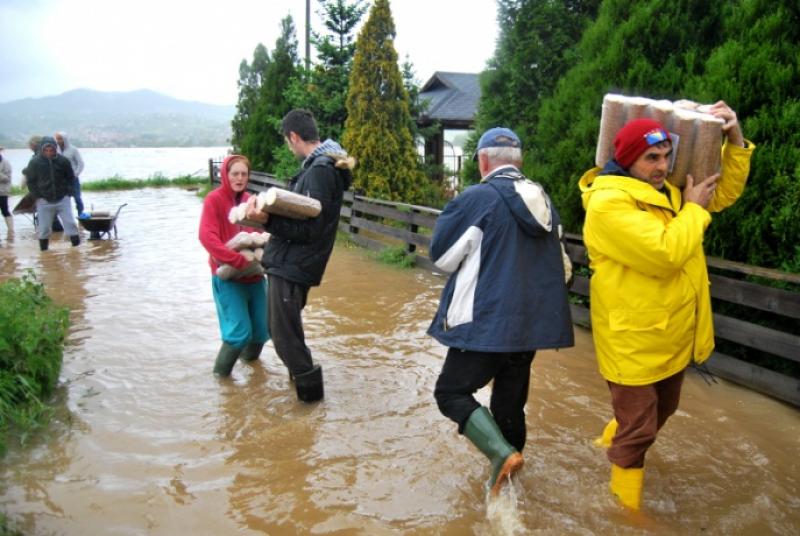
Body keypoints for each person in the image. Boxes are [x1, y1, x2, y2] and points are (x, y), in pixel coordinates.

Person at [578, 102, 755, 511]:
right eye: (650, 158)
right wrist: (693, 208)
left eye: (665, 156)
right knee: (639, 433)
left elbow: (722, 191)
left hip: (671, 335)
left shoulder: (668, 192)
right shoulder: (609, 205)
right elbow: (665, 253)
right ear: (625, 161)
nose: (661, 166)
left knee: (664, 409)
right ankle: (626, 514)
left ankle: (608, 440)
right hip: (633, 343)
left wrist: (735, 138)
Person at [428, 127, 574, 496]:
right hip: (530, 327)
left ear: (482, 161)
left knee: (451, 393)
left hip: (486, 324)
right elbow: (562, 267)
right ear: (518, 161)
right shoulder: (543, 200)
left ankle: (498, 455)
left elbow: (443, 259)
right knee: (510, 406)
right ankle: (512, 487)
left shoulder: (477, 198)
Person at [245, 109, 354, 403]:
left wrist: (265, 220)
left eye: (287, 142)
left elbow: (311, 229)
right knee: (285, 334)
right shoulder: (319, 166)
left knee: (284, 338)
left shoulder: (320, 170)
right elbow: (304, 218)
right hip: (291, 262)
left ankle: (311, 406)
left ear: (294, 137)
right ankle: (305, 399)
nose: (289, 147)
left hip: (294, 264)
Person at [199, 155, 270, 377]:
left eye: (244, 174)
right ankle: (221, 380)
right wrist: (236, 260)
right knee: (239, 332)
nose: (240, 178)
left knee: (261, 330)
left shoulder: (250, 200)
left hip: (255, 276)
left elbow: (262, 233)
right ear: (226, 176)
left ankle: (249, 373)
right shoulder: (214, 200)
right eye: (235, 174)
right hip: (227, 276)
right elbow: (206, 237)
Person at [24, 136, 81, 250]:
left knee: (70, 224)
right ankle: (44, 253)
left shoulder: (63, 161)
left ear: (55, 149)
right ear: (42, 149)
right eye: (46, 150)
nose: (49, 153)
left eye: (52, 150)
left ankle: (77, 250)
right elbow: (30, 181)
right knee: (44, 229)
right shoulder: (35, 162)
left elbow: (70, 178)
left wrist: (68, 193)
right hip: (43, 201)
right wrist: (37, 196)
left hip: (63, 199)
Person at [55, 132, 87, 217]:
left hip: (73, 179)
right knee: (63, 200)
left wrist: (76, 174)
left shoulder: (73, 150)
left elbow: (80, 163)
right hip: (61, 180)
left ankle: (81, 215)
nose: (58, 141)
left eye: (60, 139)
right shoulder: (55, 150)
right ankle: (66, 218)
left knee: (77, 198)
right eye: (57, 139)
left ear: (65, 139)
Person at [0, 146, 12, 236]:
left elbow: (7, 178)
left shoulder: (5, 162)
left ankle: (10, 231)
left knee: (5, 210)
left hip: (2, 191)